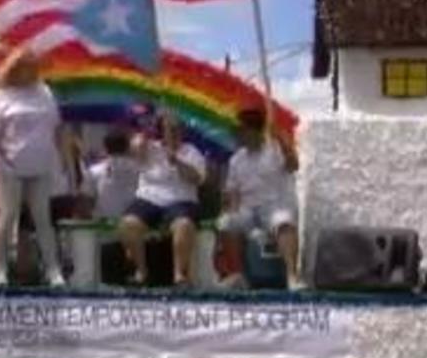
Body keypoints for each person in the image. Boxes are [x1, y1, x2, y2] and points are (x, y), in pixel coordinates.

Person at [0, 48, 65, 287]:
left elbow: (55, 125)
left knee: (42, 217)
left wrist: (58, 161)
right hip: (10, 165)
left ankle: (53, 270)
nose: (32, 70)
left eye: (34, 65)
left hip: (40, 163)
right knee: (7, 216)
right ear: (15, 68)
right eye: (26, 66)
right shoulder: (1, 96)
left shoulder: (44, 92)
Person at [216, 107, 301, 290]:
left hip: (274, 206)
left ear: (254, 131)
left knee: (284, 221)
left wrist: (282, 140)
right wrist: (231, 211)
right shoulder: (236, 160)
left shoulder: (275, 150)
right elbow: (232, 193)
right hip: (248, 210)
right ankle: (239, 275)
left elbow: (294, 165)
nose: (238, 136)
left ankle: (292, 276)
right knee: (226, 222)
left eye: (242, 131)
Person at [118, 112, 207, 286]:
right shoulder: (150, 147)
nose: (173, 133)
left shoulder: (191, 152)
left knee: (184, 225)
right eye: (169, 129)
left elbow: (197, 178)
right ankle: (141, 271)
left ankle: (179, 274)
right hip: (149, 197)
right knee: (128, 224)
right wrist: (145, 131)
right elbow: (134, 149)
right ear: (162, 130)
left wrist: (178, 162)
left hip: (180, 199)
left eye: (176, 129)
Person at [88, 127, 141, 220]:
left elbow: (86, 201)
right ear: (128, 147)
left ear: (105, 147)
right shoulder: (141, 171)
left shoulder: (93, 171)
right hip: (133, 224)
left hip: (103, 226)